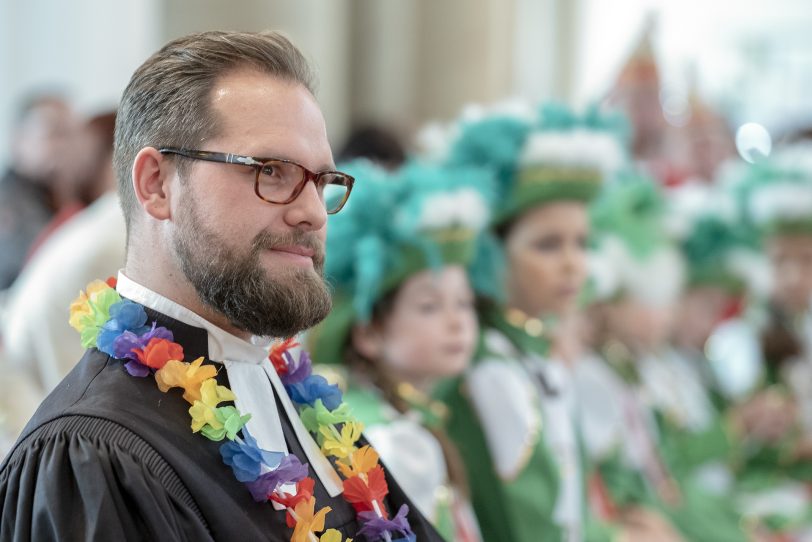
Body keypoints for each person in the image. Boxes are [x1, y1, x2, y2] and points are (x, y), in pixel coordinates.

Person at [0, 30, 439, 541]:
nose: (313, 213)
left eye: (321, 181)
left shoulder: (295, 396)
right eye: (271, 171)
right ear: (157, 185)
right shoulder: (94, 457)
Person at [436, 101, 682, 541]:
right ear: (492, 254)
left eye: (582, 243)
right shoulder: (493, 367)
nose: (573, 265)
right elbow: (530, 527)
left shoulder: (535, 352)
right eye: (549, 245)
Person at [308, 159, 496, 541]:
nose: (457, 321)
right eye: (429, 306)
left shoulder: (410, 415)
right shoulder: (395, 441)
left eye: (464, 303)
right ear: (368, 334)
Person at [0, 93, 80, 289]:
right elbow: (43, 265)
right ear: (19, 140)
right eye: (56, 134)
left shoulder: (55, 196)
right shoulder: (8, 203)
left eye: (73, 135)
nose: (67, 146)